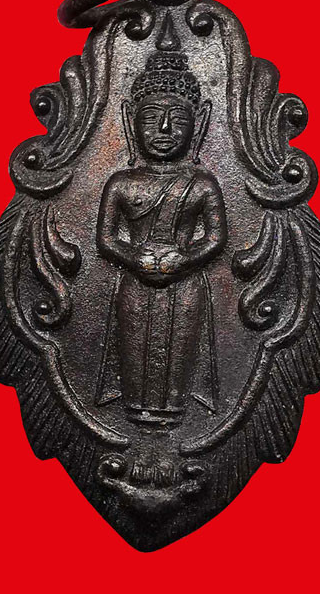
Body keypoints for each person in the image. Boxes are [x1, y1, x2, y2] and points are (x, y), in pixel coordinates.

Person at [96, 52, 227, 427]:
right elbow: (106, 239)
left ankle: (173, 411)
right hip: (135, 281)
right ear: (130, 121)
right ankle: (135, 408)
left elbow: (216, 238)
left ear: (197, 125)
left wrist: (185, 258)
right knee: (135, 344)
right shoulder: (121, 182)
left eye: (178, 119)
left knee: (179, 348)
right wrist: (133, 258)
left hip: (184, 282)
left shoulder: (201, 184)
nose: (165, 129)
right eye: (152, 118)